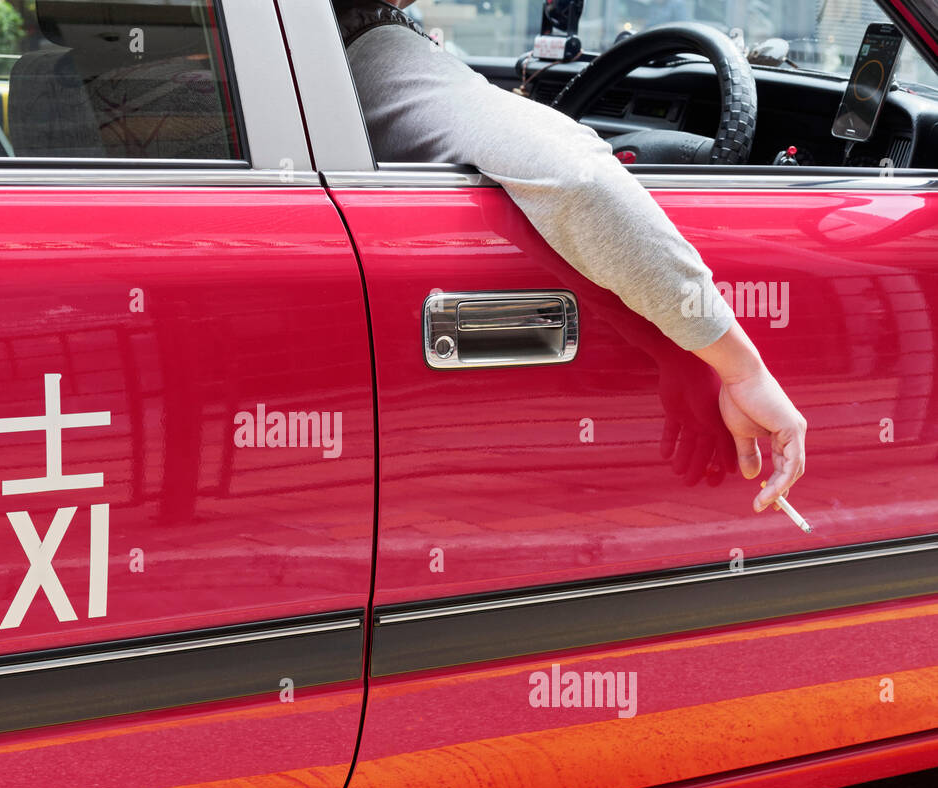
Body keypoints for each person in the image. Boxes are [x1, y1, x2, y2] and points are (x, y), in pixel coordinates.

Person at [334, 0, 806, 514]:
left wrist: (666, 347)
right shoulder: (365, 55)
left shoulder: (303, 58)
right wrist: (740, 369)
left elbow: (514, 204)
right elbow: (578, 180)